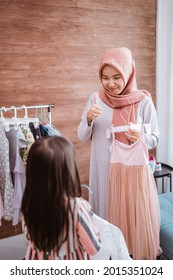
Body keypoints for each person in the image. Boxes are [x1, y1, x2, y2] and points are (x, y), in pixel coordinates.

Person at [77, 47, 162, 259]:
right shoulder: (96, 99)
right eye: (105, 78)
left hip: (129, 174)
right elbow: (82, 136)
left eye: (117, 77)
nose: (110, 83)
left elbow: (155, 138)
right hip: (102, 170)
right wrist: (88, 119)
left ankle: (128, 259)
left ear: (128, 73)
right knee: (104, 217)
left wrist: (140, 136)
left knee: (130, 219)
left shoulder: (143, 101)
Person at [21, 136, 101, 260]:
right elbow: (93, 248)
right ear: (68, 171)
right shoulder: (76, 207)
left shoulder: (28, 204)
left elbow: (28, 237)